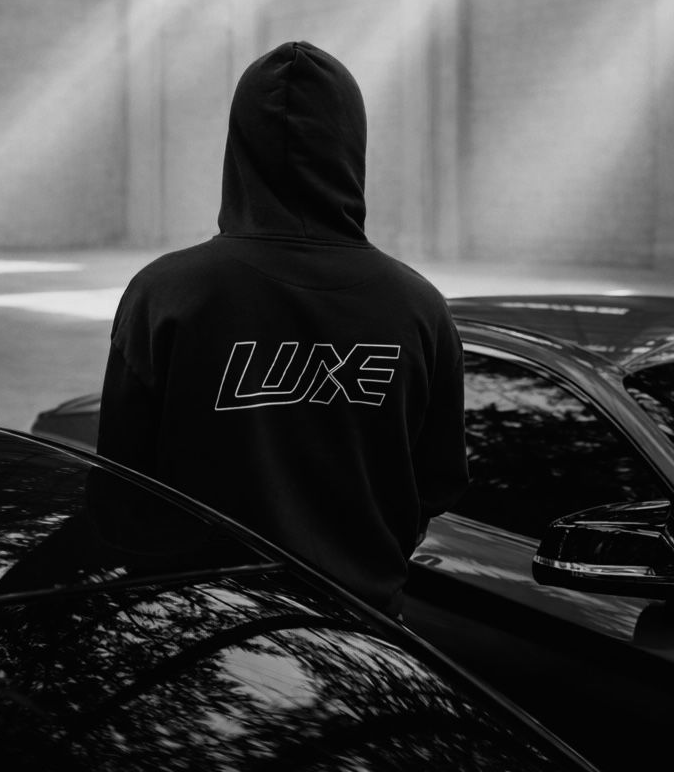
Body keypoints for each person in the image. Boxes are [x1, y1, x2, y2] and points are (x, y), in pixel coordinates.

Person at [97, 40, 468, 616]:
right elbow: (437, 482)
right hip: (361, 628)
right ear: (351, 144)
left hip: (201, 626)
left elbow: (120, 481)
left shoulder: (166, 293)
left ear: (239, 148)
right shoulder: (419, 308)